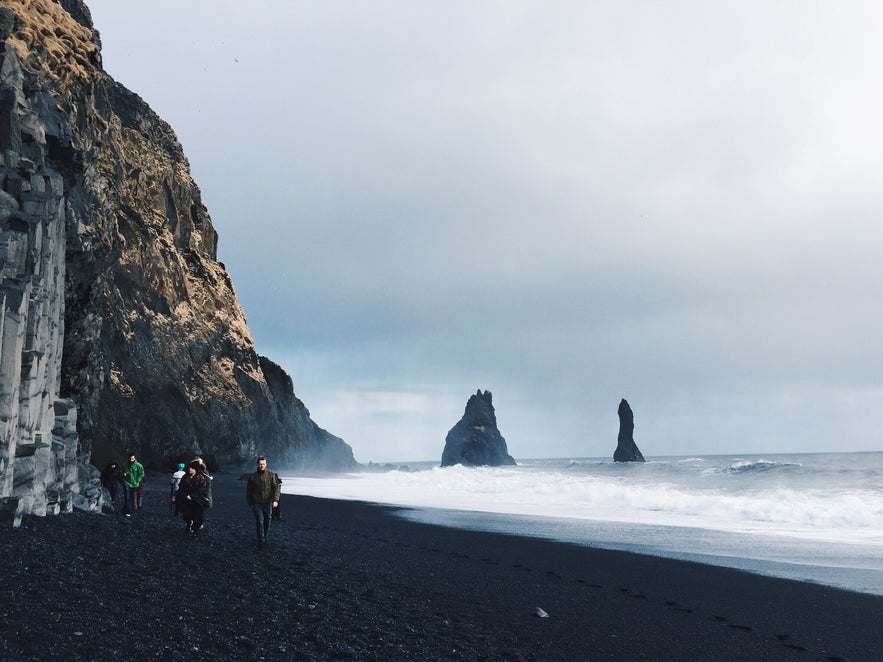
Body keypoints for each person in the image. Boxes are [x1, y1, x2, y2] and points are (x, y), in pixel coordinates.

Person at [246, 456, 280, 548]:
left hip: (268, 502)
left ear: (266, 464)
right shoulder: (252, 477)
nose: (262, 466)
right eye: (260, 464)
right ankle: (261, 541)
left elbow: (276, 488)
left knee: (267, 521)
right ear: (257, 464)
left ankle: (265, 537)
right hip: (256, 503)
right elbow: (248, 491)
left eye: (263, 464)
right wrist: (250, 503)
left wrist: (276, 500)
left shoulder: (271, 475)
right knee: (259, 522)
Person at [174, 461, 211, 534]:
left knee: (197, 516)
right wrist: (185, 495)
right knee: (186, 515)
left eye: (192, 468)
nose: (190, 469)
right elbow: (181, 488)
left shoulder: (201, 478)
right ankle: (189, 524)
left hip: (197, 501)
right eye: (189, 468)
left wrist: (192, 496)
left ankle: (195, 531)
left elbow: (203, 490)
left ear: (195, 469)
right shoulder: (185, 477)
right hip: (186, 500)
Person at [119, 452, 144, 517]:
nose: (131, 460)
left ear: (134, 458)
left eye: (132, 459)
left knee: (130, 498)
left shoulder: (139, 466)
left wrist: (137, 480)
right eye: (130, 459)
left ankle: (125, 509)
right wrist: (123, 474)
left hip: (134, 484)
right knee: (127, 497)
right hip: (126, 483)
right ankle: (128, 512)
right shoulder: (124, 465)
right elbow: (119, 472)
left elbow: (141, 474)